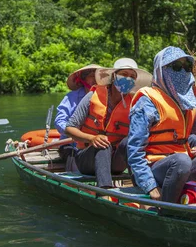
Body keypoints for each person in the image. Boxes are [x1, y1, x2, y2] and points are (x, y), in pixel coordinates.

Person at [127, 47, 196, 203]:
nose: (183, 72)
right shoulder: (147, 102)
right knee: (182, 161)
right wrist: (149, 185)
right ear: (161, 71)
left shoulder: (188, 100)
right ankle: (167, 210)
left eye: (186, 67)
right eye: (176, 67)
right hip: (154, 168)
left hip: (183, 165)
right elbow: (135, 151)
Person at [64, 58, 152, 190]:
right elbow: (69, 128)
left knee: (131, 141)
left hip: (115, 162)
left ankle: (143, 187)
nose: (128, 79)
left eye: (132, 77)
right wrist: (92, 138)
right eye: (124, 75)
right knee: (103, 144)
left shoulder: (135, 104)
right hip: (87, 160)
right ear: (114, 77)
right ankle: (105, 191)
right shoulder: (92, 96)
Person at [55, 64, 101, 140]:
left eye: (98, 76)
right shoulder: (72, 97)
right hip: (72, 141)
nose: (96, 79)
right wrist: (75, 133)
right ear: (84, 79)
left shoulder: (105, 96)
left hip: (96, 139)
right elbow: (60, 121)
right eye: (92, 76)